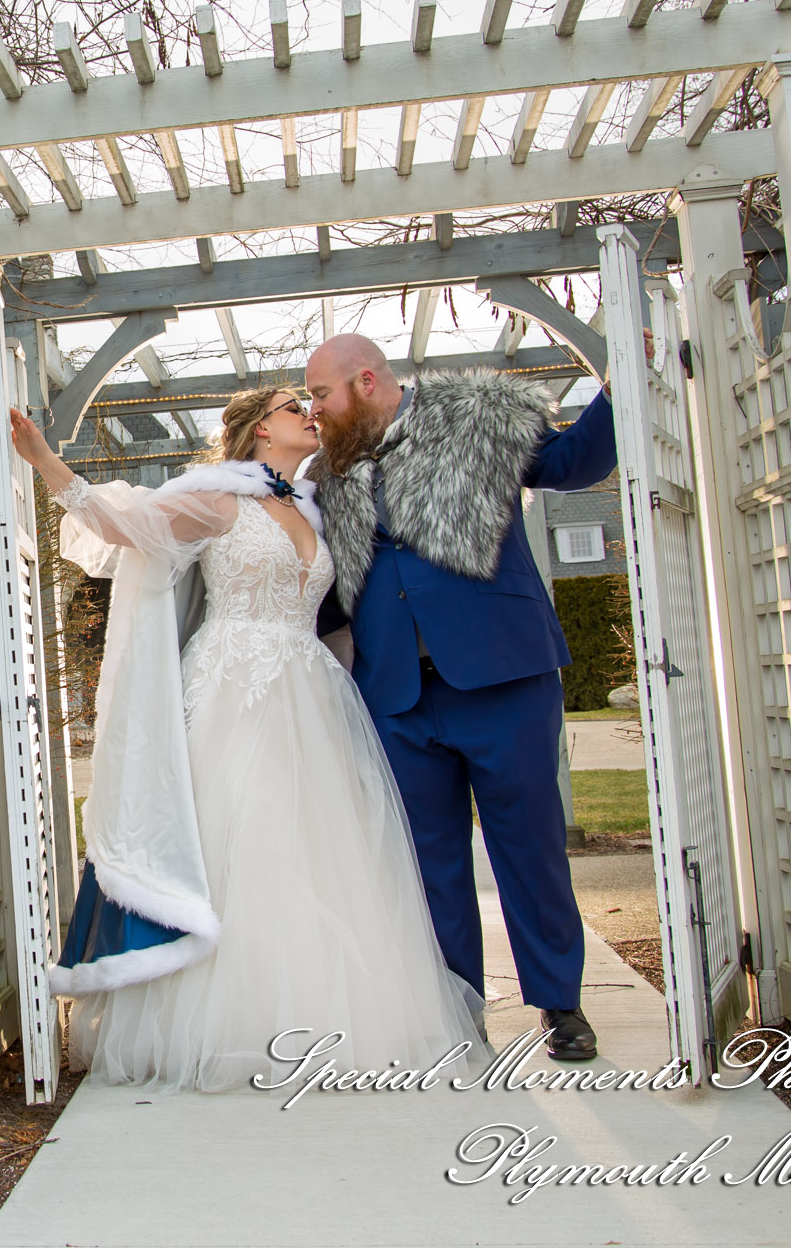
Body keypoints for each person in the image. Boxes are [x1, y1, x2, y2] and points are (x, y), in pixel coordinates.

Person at [8, 388, 488, 1094]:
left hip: (312, 690)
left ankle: (319, 1016)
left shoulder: (311, 504)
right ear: (262, 427)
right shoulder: (217, 498)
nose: (310, 412)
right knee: (244, 838)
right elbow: (121, 524)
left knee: (322, 849)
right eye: (297, 404)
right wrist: (46, 461)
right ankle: (224, 1025)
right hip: (233, 686)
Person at [304, 333, 620, 1063]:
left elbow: (574, 464)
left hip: (502, 672)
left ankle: (561, 1004)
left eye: (321, 394)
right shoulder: (329, 470)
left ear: (367, 380)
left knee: (531, 846)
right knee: (426, 860)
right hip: (396, 692)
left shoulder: (474, 417)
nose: (313, 408)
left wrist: (618, 387)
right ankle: (459, 1007)